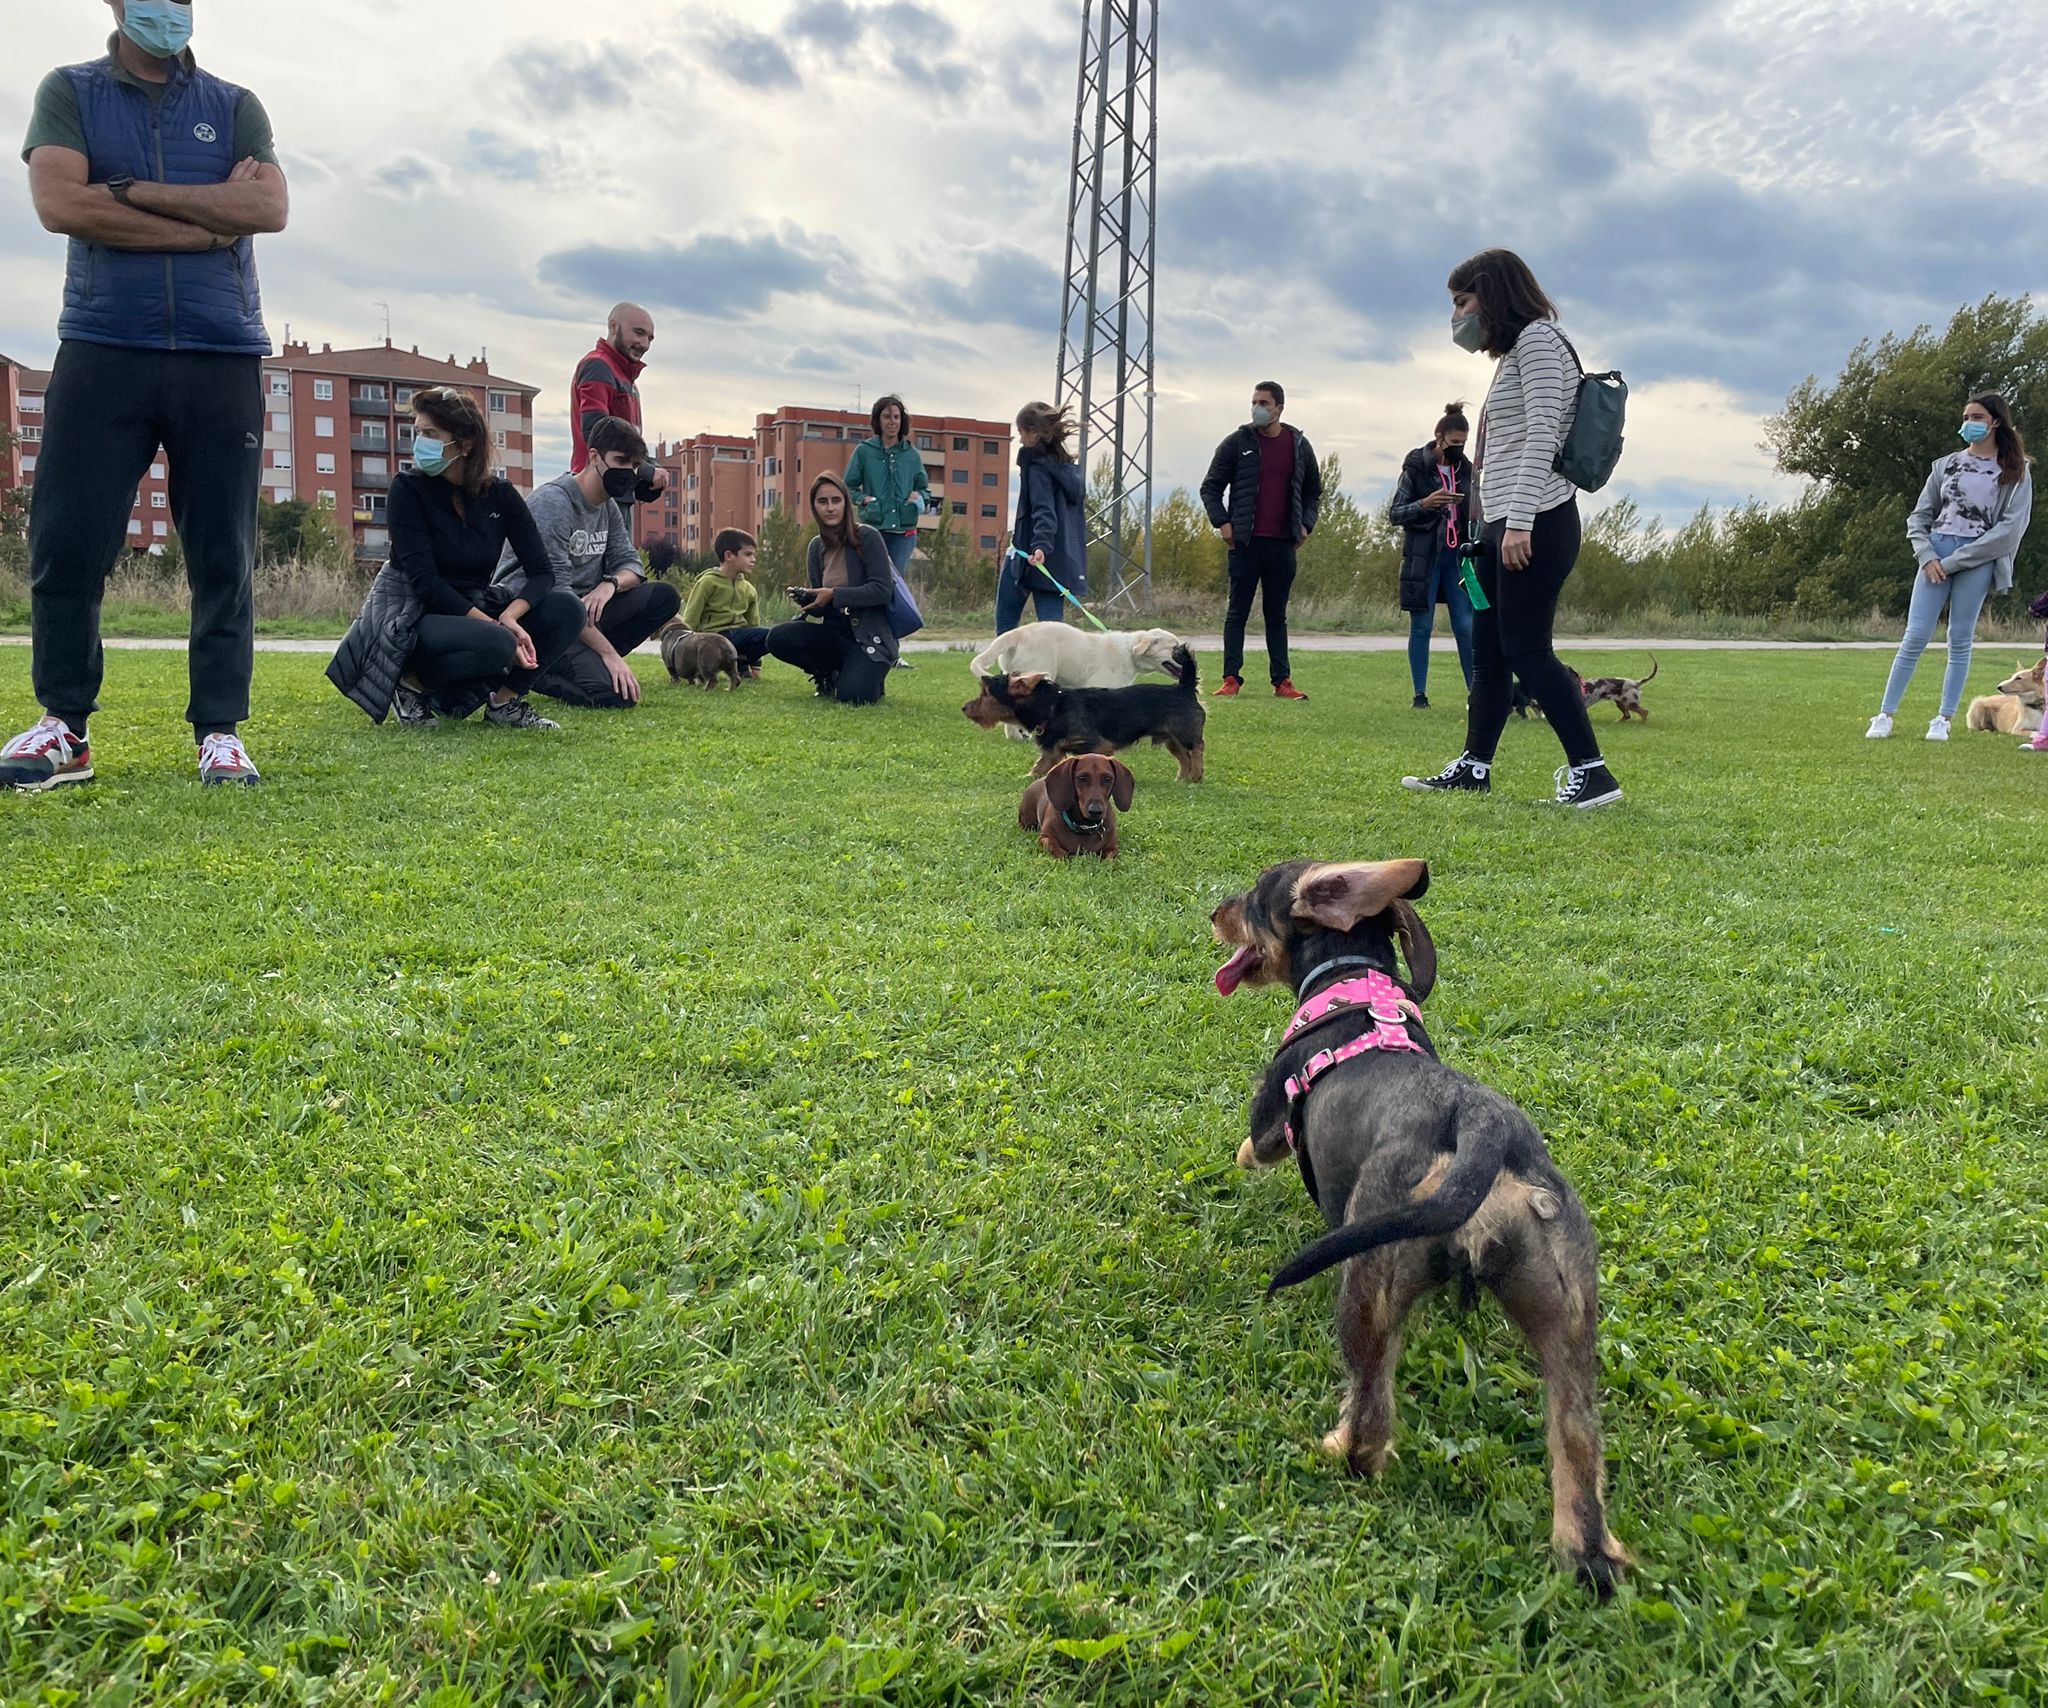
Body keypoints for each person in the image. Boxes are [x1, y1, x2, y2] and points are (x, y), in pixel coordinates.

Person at [2, 0, 289, 791]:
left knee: (223, 553)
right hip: (102, 343)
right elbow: (62, 204)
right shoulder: (69, 91)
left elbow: (267, 208)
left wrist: (127, 193)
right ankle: (65, 727)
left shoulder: (235, 107)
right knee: (67, 543)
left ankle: (220, 732)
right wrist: (206, 223)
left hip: (221, 349)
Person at [1403, 249, 1622, 808]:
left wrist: (1519, 522)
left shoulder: (1542, 344)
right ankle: (1475, 766)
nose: (1457, 316)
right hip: (1503, 526)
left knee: (1528, 651)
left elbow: (1542, 438)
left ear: (1493, 295)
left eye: (1462, 301)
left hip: (1538, 522)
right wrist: (1487, 525)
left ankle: (1593, 773)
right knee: (1491, 657)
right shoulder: (1516, 353)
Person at [380, 388, 585, 730]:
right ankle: (410, 686)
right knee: (498, 640)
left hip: (478, 607)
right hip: (419, 614)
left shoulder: (500, 496)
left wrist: (511, 615)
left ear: (465, 444)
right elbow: (426, 583)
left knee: (568, 608)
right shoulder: (407, 490)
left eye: (430, 434)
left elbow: (541, 573)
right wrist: (495, 626)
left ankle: (504, 703)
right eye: (418, 433)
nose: (420, 443)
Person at [1867, 393, 2034, 743]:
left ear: (1995, 422)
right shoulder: (1945, 465)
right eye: (1966, 416)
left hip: (1976, 559)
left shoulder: (2016, 472)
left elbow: (2008, 530)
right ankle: (1884, 714)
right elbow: (1920, 516)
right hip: (1936, 552)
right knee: (1914, 636)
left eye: (1977, 416)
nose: (1969, 423)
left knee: (1959, 639)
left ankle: (1943, 718)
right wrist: (1927, 556)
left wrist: (1954, 561)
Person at [494, 415, 681, 709]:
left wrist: (610, 585)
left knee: (663, 597)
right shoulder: (554, 502)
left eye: (634, 465)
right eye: (620, 461)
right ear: (594, 457)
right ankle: (540, 668)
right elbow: (556, 592)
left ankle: (586, 661)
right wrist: (609, 655)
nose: (628, 472)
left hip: (582, 613)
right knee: (616, 698)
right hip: (540, 616)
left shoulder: (607, 506)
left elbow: (632, 566)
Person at [1200, 381, 1321, 700]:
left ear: (1279, 408)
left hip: (1283, 544)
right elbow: (1210, 488)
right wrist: (1222, 522)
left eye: (1264, 402)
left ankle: (1282, 681)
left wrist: (1306, 524)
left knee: (1276, 615)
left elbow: (1313, 492)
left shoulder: (1298, 445)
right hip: (1245, 544)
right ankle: (1230, 679)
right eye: (1254, 401)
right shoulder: (1236, 442)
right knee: (1237, 612)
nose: (1258, 407)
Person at [765, 471, 898, 704]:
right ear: (814, 506)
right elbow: (822, 609)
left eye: (836, 501)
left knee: (853, 696)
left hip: (867, 636)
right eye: (822, 502)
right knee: (777, 638)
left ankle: (870, 676)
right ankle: (826, 674)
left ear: (846, 503)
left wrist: (834, 594)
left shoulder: (867, 537)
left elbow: (881, 590)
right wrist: (809, 600)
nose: (830, 508)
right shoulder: (816, 547)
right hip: (833, 632)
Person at [1390, 402, 1478, 708]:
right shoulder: (1416, 465)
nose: (1458, 449)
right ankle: (1420, 695)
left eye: (1463, 444)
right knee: (1422, 626)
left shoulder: (1466, 470)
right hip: (1423, 558)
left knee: (1466, 627)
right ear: (1438, 437)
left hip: (1457, 559)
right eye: (1454, 443)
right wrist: (1426, 503)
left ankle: (1475, 692)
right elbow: (1396, 512)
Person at [569, 302, 665, 521]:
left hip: (615, 489)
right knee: (606, 556)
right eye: (638, 333)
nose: (644, 344)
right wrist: (647, 471)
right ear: (613, 327)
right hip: (598, 489)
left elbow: (629, 440)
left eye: (650, 338)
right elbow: (597, 433)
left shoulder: (624, 377)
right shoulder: (599, 366)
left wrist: (650, 467)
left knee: (620, 555)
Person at [997, 402, 1086, 635]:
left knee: (1006, 621)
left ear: (1034, 432)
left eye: (1021, 433)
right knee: (1053, 630)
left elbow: (1044, 510)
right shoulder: (1065, 468)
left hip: (1030, 553)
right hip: (1060, 560)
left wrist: (1040, 545)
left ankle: (1010, 671)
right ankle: (1053, 669)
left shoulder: (1037, 468)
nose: (1020, 440)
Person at [842, 394, 931, 578]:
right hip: (874, 529)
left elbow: (925, 490)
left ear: (902, 420)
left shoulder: (912, 455)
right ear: (878, 420)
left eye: (896, 417)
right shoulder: (864, 451)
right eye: (887, 417)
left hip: (903, 533)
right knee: (872, 578)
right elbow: (847, 487)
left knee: (895, 582)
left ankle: (896, 608)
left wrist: (918, 497)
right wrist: (863, 499)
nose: (892, 422)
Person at [681, 529, 770, 678]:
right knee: (766, 634)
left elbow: (753, 625)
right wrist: (687, 655)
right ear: (729, 555)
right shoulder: (707, 582)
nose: (753, 559)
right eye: (748, 554)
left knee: (773, 636)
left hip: (738, 637)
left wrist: (756, 666)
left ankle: (741, 664)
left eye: (754, 555)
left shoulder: (749, 589)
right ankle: (710, 665)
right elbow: (691, 619)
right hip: (712, 639)